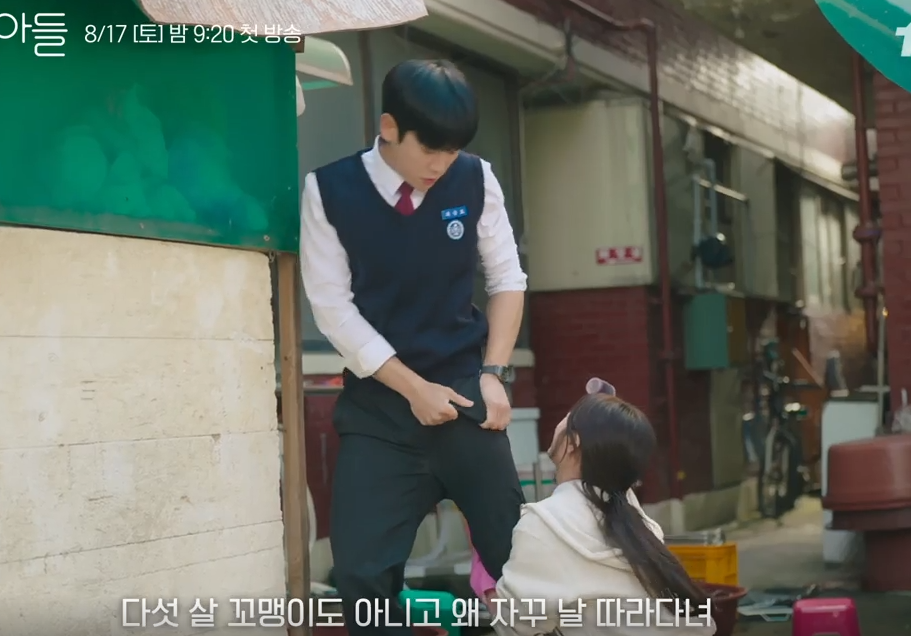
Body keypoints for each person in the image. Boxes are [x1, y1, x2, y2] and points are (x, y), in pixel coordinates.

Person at [300, 58, 528, 636]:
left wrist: (494, 373)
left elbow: (507, 279)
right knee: (362, 579)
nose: (440, 165)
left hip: (468, 401)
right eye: (430, 149)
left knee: (521, 567)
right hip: (380, 415)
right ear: (389, 127)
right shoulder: (328, 191)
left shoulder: (475, 178)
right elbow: (332, 309)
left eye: (452, 151)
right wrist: (412, 388)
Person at [490, 386, 715, 636]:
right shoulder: (643, 526)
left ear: (574, 442)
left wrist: (489, 590)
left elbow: (516, 625)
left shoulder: (542, 525)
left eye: (568, 416)